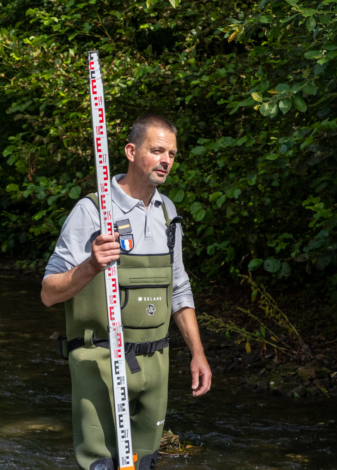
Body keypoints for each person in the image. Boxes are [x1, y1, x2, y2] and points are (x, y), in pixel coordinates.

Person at [41, 114, 211, 470]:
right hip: (100, 363)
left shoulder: (168, 211)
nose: (166, 160)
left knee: (143, 463)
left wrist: (198, 352)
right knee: (100, 465)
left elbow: (179, 287)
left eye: (173, 154)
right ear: (132, 152)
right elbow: (48, 293)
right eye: (157, 150)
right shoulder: (92, 211)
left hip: (156, 365)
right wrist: (90, 265)